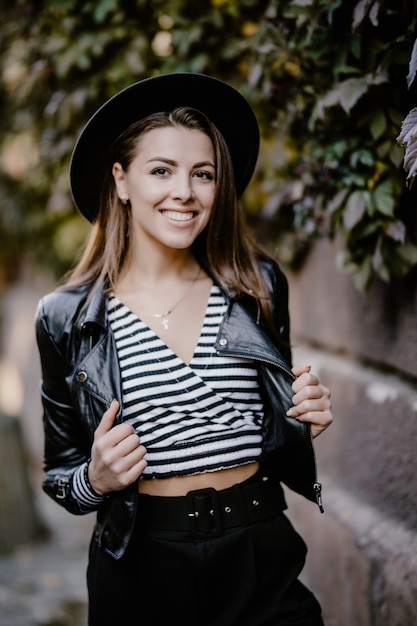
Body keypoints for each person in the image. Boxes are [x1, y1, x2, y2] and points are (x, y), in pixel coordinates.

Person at [35, 72, 333, 626]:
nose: (185, 193)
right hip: (143, 563)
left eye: (203, 174)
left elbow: (276, 417)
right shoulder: (66, 317)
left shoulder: (257, 285)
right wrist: (95, 480)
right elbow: (60, 474)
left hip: (259, 546)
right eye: (161, 171)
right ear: (121, 180)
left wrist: (302, 416)